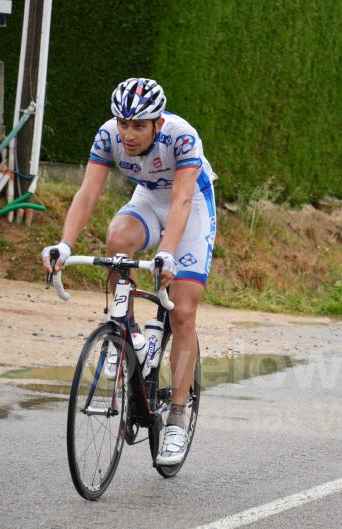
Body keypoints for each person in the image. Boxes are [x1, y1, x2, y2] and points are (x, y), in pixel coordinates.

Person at [41, 78, 217, 465]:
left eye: (138, 125)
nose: (128, 133)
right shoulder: (108, 136)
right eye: (123, 123)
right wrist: (65, 245)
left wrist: (168, 253)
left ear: (157, 123)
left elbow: (184, 200)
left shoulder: (182, 137)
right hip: (149, 199)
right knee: (118, 240)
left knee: (183, 312)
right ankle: (129, 334)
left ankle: (175, 418)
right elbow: (88, 192)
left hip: (191, 207)